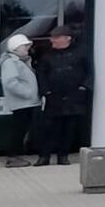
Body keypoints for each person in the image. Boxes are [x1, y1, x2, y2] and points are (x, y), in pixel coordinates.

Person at [36, 25, 90, 166]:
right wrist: (45, 91)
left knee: (69, 128)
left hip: (74, 96)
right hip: (53, 96)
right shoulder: (47, 55)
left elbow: (89, 71)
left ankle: (63, 156)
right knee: (48, 128)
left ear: (67, 39)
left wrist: (83, 87)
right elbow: (41, 74)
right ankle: (44, 156)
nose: (51, 40)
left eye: (55, 37)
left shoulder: (81, 52)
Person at [0, 34, 40, 168]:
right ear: (15, 48)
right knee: (18, 130)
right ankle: (13, 157)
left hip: (26, 102)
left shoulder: (20, 61)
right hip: (22, 103)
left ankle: (14, 156)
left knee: (21, 129)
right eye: (24, 46)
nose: (27, 49)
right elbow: (11, 83)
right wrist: (28, 93)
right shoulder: (10, 62)